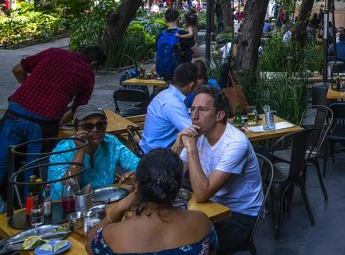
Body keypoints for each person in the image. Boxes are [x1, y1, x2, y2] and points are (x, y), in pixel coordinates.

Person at [0, 46, 106, 197]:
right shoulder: (88, 75)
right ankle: (27, 209)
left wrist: (31, 91)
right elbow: (78, 111)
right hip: (44, 123)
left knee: (2, 161)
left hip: (16, 111)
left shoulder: (54, 52)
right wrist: (60, 121)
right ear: (94, 64)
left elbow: (17, 69)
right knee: (34, 171)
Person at [173, 85, 263, 252]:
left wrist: (191, 149)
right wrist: (177, 147)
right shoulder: (199, 134)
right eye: (192, 110)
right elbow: (169, 177)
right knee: (171, 232)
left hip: (239, 215)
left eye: (202, 110)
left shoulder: (236, 143)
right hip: (211, 206)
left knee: (189, 244)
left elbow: (201, 194)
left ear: (220, 115)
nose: (194, 116)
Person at [87, 148, 218, 255]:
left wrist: (120, 207)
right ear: (178, 186)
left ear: (137, 185)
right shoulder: (202, 223)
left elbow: (90, 244)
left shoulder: (111, 236)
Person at [47, 105, 140, 200]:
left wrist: (134, 175)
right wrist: (81, 150)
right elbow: (60, 193)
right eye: (88, 126)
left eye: (100, 125)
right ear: (76, 129)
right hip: (72, 205)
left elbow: (140, 166)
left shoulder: (110, 142)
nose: (95, 130)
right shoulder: (63, 149)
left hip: (106, 199)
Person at [140, 63, 197, 154]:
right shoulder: (173, 103)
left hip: (147, 147)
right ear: (192, 85)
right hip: (155, 156)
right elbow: (192, 131)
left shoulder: (165, 94)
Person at [155, 8, 185, 80]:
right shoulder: (182, 33)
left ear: (165, 19)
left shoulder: (160, 35)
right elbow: (196, 52)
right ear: (178, 18)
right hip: (178, 75)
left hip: (161, 73)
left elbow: (156, 56)